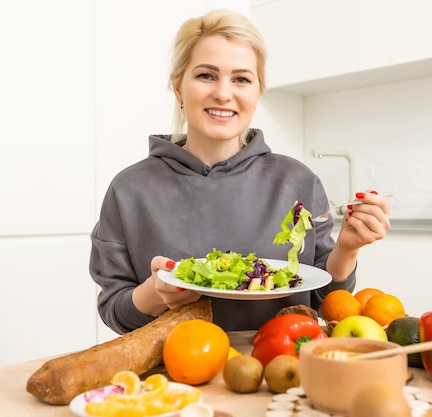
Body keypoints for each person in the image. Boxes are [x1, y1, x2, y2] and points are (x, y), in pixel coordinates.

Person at [89, 9, 391, 335]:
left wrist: (347, 248)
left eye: (241, 79)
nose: (223, 92)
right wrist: (155, 292)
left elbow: (327, 303)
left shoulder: (298, 182)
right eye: (206, 75)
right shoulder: (130, 190)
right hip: (176, 375)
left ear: (258, 91)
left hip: (280, 367)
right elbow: (114, 312)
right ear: (177, 87)